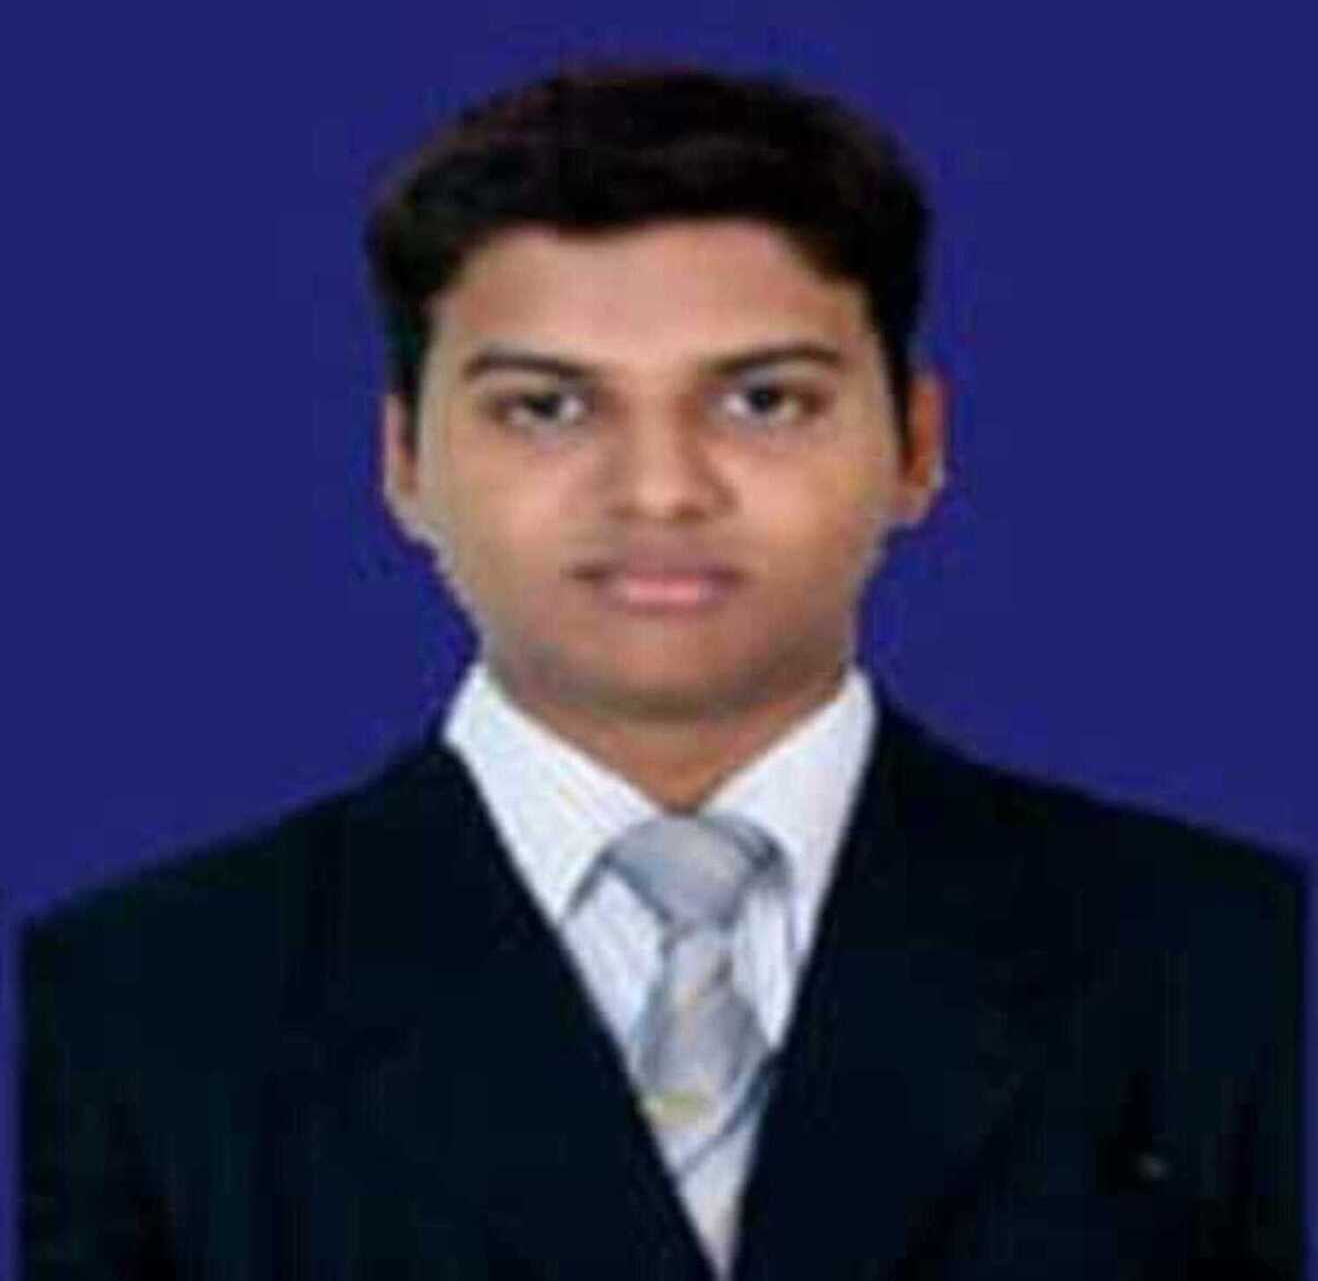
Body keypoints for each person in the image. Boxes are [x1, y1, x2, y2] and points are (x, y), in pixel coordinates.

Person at [21, 62, 1306, 1279]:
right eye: (546, 407)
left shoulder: (1238, 965)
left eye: (763, 401)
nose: (659, 491)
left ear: (916, 444)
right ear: (404, 461)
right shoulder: (129, 1007)